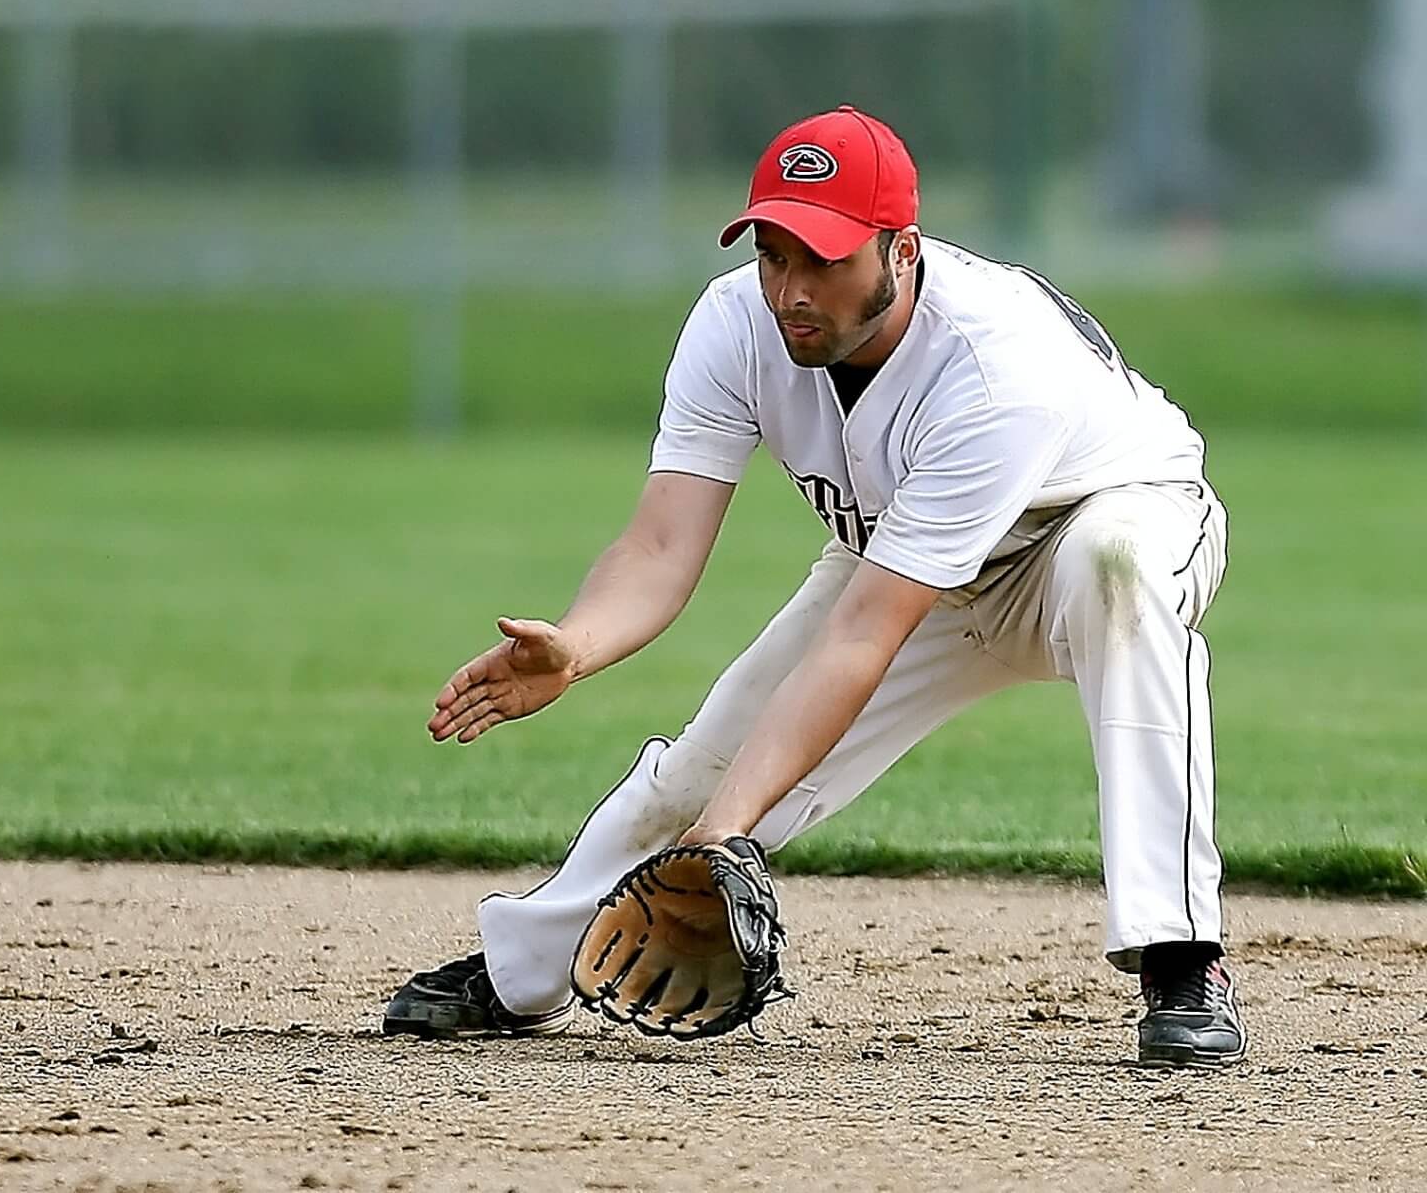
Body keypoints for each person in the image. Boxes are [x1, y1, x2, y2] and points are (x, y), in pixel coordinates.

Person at [381, 105, 1243, 1067]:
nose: (791, 289)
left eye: (824, 259)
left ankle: (1181, 953)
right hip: (901, 558)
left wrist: (725, 840)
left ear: (901, 251)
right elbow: (663, 543)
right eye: (775, 253)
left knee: (1114, 573)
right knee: (709, 764)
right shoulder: (735, 325)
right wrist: (577, 646)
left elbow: (861, 639)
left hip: (1092, 522)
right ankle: (527, 969)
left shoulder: (996, 371)